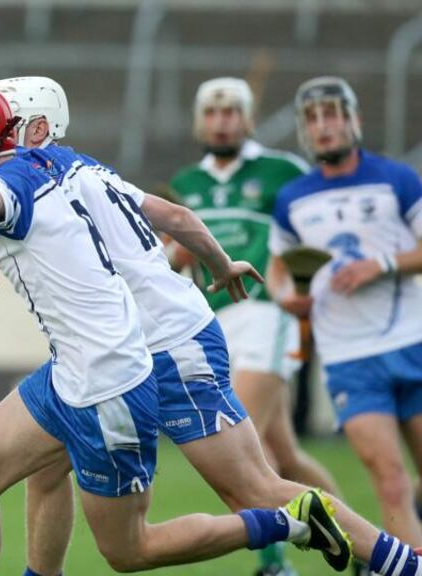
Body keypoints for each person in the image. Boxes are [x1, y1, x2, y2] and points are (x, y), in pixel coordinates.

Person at [0, 86, 353, 575]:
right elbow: (44, 225)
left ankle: (286, 521)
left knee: (129, 550)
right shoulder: (58, 162)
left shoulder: (8, 183)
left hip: (108, 385)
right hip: (69, 372)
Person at [169, 76, 341, 576]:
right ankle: (363, 541)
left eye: (232, 112)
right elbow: (178, 255)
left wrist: (309, 290)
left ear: (248, 117)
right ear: (200, 120)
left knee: (240, 443)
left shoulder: (282, 170)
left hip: (268, 314)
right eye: (213, 112)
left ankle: (273, 562)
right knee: (284, 454)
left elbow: (317, 234)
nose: (222, 122)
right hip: (213, 326)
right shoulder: (186, 184)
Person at [268, 76, 422, 558]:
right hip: (350, 358)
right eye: (312, 119)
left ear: (353, 120)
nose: (323, 126)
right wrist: (284, 297)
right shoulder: (293, 199)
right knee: (390, 481)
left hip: (413, 340)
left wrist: (382, 264)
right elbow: (277, 267)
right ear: (303, 130)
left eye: (333, 114)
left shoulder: (396, 179)